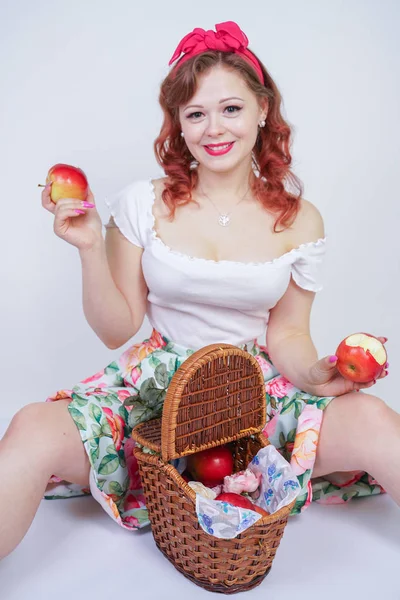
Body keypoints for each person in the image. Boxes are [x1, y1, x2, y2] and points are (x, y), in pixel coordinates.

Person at [0, 21, 396, 560]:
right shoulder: (142, 202)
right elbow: (116, 327)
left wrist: (314, 374)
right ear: (179, 126)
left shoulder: (302, 220)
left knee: (375, 420)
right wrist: (91, 248)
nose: (214, 128)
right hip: (158, 392)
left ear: (262, 110)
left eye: (230, 108)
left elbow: (290, 332)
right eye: (195, 113)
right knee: (29, 428)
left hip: (256, 394)